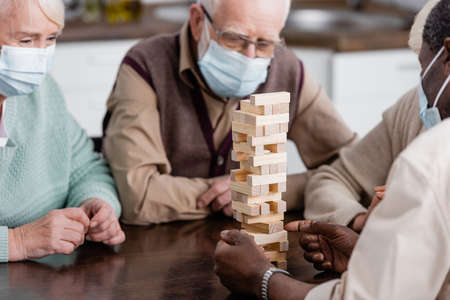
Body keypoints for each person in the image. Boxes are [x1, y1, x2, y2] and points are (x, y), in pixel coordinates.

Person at [103, 0, 356, 225]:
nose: (249, 57)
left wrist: (272, 190)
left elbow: (354, 171)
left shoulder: (289, 70)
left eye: (265, 44)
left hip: (254, 252)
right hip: (154, 258)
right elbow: (139, 196)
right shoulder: (146, 66)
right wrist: (237, 191)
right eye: (234, 39)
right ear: (198, 21)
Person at [214, 118, 450, 300]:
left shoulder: (431, 159)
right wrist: (364, 251)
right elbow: (332, 175)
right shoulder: (418, 120)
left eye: (427, 53)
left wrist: (263, 279)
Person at [303, 0, 450, 233]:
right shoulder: (412, 110)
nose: (422, 82)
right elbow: (332, 179)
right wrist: (359, 222)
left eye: (423, 66)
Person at [0, 0, 125, 263]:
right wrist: (17, 241)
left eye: (50, 39)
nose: (40, 56)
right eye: (26, 41)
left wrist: (95, 202)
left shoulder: (43, 92)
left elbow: (86, 168)